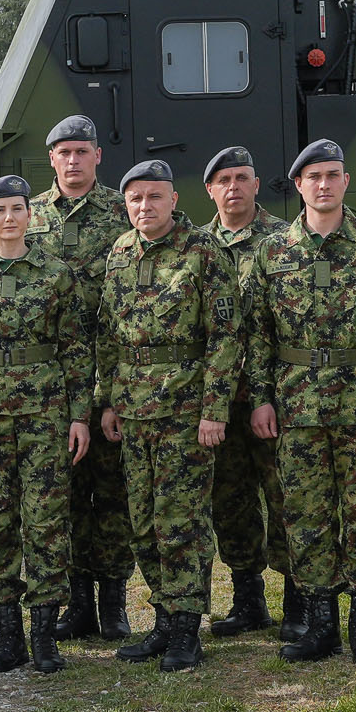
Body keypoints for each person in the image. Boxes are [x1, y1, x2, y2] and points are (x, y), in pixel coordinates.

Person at [247, 141, 356, 667]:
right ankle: (319, 625)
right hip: (297, 405)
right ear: (298, 186)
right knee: (307, 516)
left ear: (346, 182)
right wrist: (260, 399)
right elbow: (256, 334)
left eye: (333, 175)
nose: (324, 185)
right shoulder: (272, 251)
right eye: (313, 177)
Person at [94, 160, 244, 673]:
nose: (144, 206)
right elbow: (108, 335)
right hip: (134, 411)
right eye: (135, 198)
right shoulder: (118, 253)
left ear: (174, 200)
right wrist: (109, 400)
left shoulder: (204, 252)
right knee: (143, 520)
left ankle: (186, 629)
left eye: (155, 196)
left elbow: (225, 338)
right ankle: (162, 618)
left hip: (185, 410)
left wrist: (213, 409)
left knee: (180, 520)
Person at [0, 175, 94, 675]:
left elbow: (76, 347)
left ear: (31, 215)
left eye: (18, 208)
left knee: (47, 520)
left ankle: (44, 636)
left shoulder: (57, 273)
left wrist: (79, 415)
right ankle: (7, 636)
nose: (10, 217)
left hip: (46, 415)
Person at [28, 117, 131, 644]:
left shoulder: (122, 211)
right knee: (60, 493)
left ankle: (114, 600)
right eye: (62, 151)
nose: (72, 161)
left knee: (112, 491)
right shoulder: (28, 216)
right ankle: (75, 602)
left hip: (113, 371)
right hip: (49, 379)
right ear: (51, 158)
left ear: (97, 156)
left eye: (81, 151)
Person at [198, 145, 294, 642]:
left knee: (286, 496)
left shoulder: (285, 240)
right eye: (223, 180)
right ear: (209, 190)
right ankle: (247, 599)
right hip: (218, 402)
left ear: (258, 184)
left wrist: (268, 394)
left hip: (277, 396)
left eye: (242, 177)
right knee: (229, 500)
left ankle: (300, 599)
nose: (233, 187)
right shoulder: (195, 245)